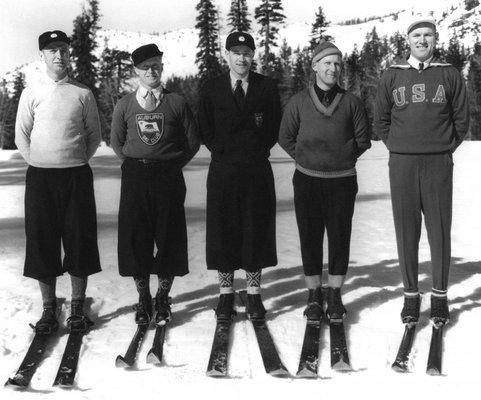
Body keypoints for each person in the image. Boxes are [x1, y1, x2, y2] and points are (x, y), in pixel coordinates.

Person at [375, 17, 469, 326]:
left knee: (439, 229)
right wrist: (400, 146)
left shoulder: (449, 74)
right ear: (408, 41)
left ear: (435, 39)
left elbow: (461, 120)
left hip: (438, 162)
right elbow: (381, 120)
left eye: (428, 35)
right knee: (407, 230)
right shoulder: (392, 76)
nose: (422, 40)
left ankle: (439, 296)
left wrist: (442, 148)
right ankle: (411, 296)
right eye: (417, 35)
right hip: (402, 163)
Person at [15, 30, 101, 333]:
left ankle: (77, 306)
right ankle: (49, 309)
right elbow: (21, 135)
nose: (59, 55)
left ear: (69, 53)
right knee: (42, 241)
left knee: (79, 239)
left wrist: (73, 160)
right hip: (40, 179)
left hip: (76, 176)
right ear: (43, 56)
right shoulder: (32, 92)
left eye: (63, 49)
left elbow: (94, 136)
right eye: (52, 50)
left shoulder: (82, 92)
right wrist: (39, 161)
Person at [279, 41, 371, 322]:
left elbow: (363, 140)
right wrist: (306, 158)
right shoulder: (299, 102)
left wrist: (342, 158)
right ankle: (314, 295)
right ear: (315, 66)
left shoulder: (351, 102)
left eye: (337, 64)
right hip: (307, 180)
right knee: (310, 237)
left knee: (339, 237)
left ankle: (334, 294)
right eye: (327, 63)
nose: (333, 69)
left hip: (342, 181)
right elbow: (286, 137)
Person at [111, 44, 200, 325]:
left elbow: (192, 142)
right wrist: (138, 163)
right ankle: (143, 298)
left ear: (162, 67)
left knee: (169, 236)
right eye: (145, 67)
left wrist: (171, 163)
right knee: (136, 237)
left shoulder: (176, 102)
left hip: (168, 177)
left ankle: (163, 297)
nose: (151, 71)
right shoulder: (125, 104)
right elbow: (117, 142)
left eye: (156, 65)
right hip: (135, 177)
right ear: (136, 71)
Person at [197, 32, 281, 320]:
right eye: (236, 52)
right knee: (224, 231)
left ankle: (254, 293)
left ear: (253, 56)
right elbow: (204, 128)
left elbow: (274, 128)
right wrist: (223, 150)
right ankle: (225, 293)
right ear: (227, 55)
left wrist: (254, 150)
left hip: (256, 169)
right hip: (223, 170)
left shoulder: (266, 87)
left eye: (247, 52)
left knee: (255, 228)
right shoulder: (212, 88)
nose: (242, 58)